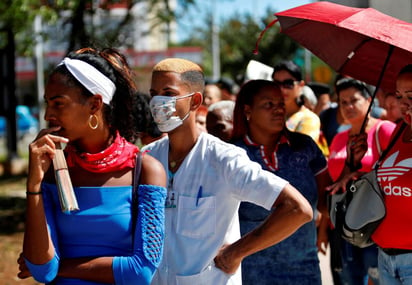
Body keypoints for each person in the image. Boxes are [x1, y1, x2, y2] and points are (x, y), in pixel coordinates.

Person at [142, 58, 313, 285]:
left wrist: (235, 252)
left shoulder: (223, 159)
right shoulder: (147, 157)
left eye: (168, 93)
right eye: (154, 93)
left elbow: (297, 208)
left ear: (195, 101)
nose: (158, 102)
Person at [17, 47, 167, 285]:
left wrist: (61, 266)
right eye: (47, 103)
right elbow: (43, 270)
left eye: (58, 103)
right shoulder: (51, 171)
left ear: (95, 104)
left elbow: (141, 271)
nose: (47, 115)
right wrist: (34, 184)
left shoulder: (145, 170)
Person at [230, 79, 331, 284]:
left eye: (280, 104)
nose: (278, 110)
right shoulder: (230, 154)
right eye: (269, 104)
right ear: (247, 110)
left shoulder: (305, 146)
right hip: (250, 273)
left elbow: (326, 200)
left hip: (305, 269)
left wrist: (351, 167)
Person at [328, 64, 412, 285]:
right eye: (399, 95)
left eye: (411, 96)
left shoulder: (385, 129)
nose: (403, 104)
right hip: (385, 256)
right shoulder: (399, 131)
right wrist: (353, 165)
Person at [271, 60, 328, 156]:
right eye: (276, 84)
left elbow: (301, 156)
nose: (281, 89)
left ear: (301, 85)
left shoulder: (309, 119)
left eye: (288, 83)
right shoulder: (267, 115)